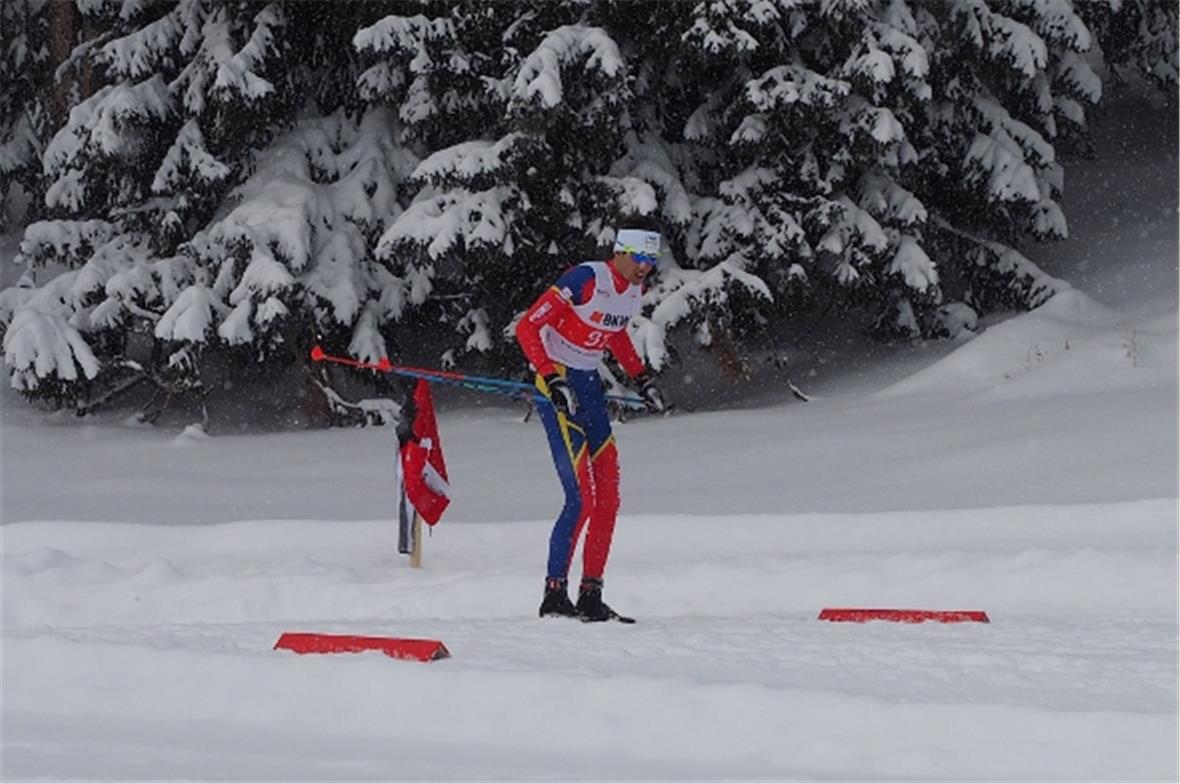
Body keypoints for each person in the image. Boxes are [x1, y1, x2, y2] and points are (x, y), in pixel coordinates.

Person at [515, 224, 665, 622]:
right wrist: (550, 376)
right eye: (639, 259)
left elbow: (614, 334)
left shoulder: (633, 291)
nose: (644, 268)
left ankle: (591, 596)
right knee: (580, 498)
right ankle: (554, 595)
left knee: (609, 497)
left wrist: (641, 378)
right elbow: (527, 326)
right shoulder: (585, 279)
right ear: (619, 252)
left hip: (588, 385)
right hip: (559, 382)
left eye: (651, 261)